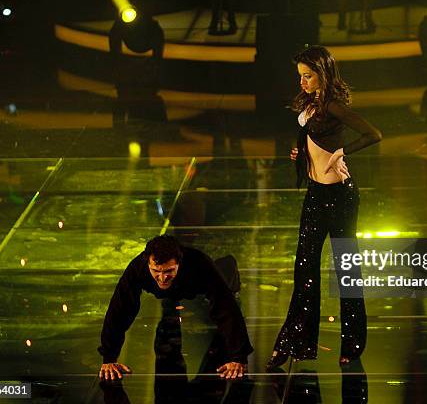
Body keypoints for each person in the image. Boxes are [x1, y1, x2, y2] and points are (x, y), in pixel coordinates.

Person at [267, 45, 383, 369]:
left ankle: (353, 344)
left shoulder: (333, 105)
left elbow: (374, 133)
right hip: (316, 194)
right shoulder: (310, 102)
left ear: (323, 74)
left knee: (346, 268)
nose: (302, 82)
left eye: (308, 76)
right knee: (304, 270)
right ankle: (293, 341)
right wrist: (300, 153)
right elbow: (311, 138)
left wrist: (342, 152)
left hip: (340, 197)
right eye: (300, 76)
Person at [98, 234, 253, 380]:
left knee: (226, 283)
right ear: (148, 265)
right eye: (156, 271)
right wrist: (109, 358)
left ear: (179, 263)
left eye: (169, 271)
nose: (162, 277)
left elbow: (225, 306)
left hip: (198, 282)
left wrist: (238, 358)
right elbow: (119, 310)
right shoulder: (138, 268)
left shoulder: (199, 263)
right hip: (171, 292)